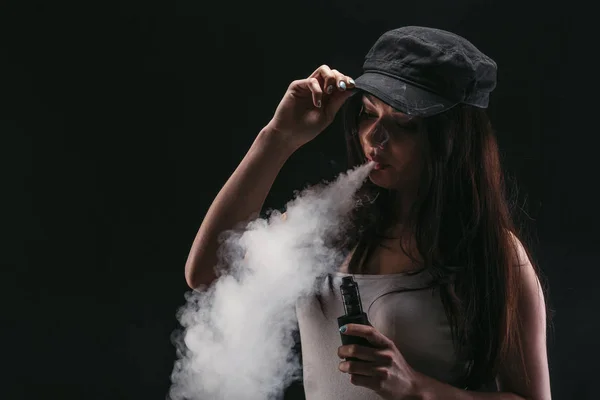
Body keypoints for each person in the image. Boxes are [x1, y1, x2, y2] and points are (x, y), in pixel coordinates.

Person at [184, 26, 552, 399]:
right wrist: (278, 136)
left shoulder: (491, 252)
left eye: (403, 124)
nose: (374, 138)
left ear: (453, 141)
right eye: (367, 113)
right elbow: (207, 274)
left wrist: (416, 388)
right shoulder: (327, 221)